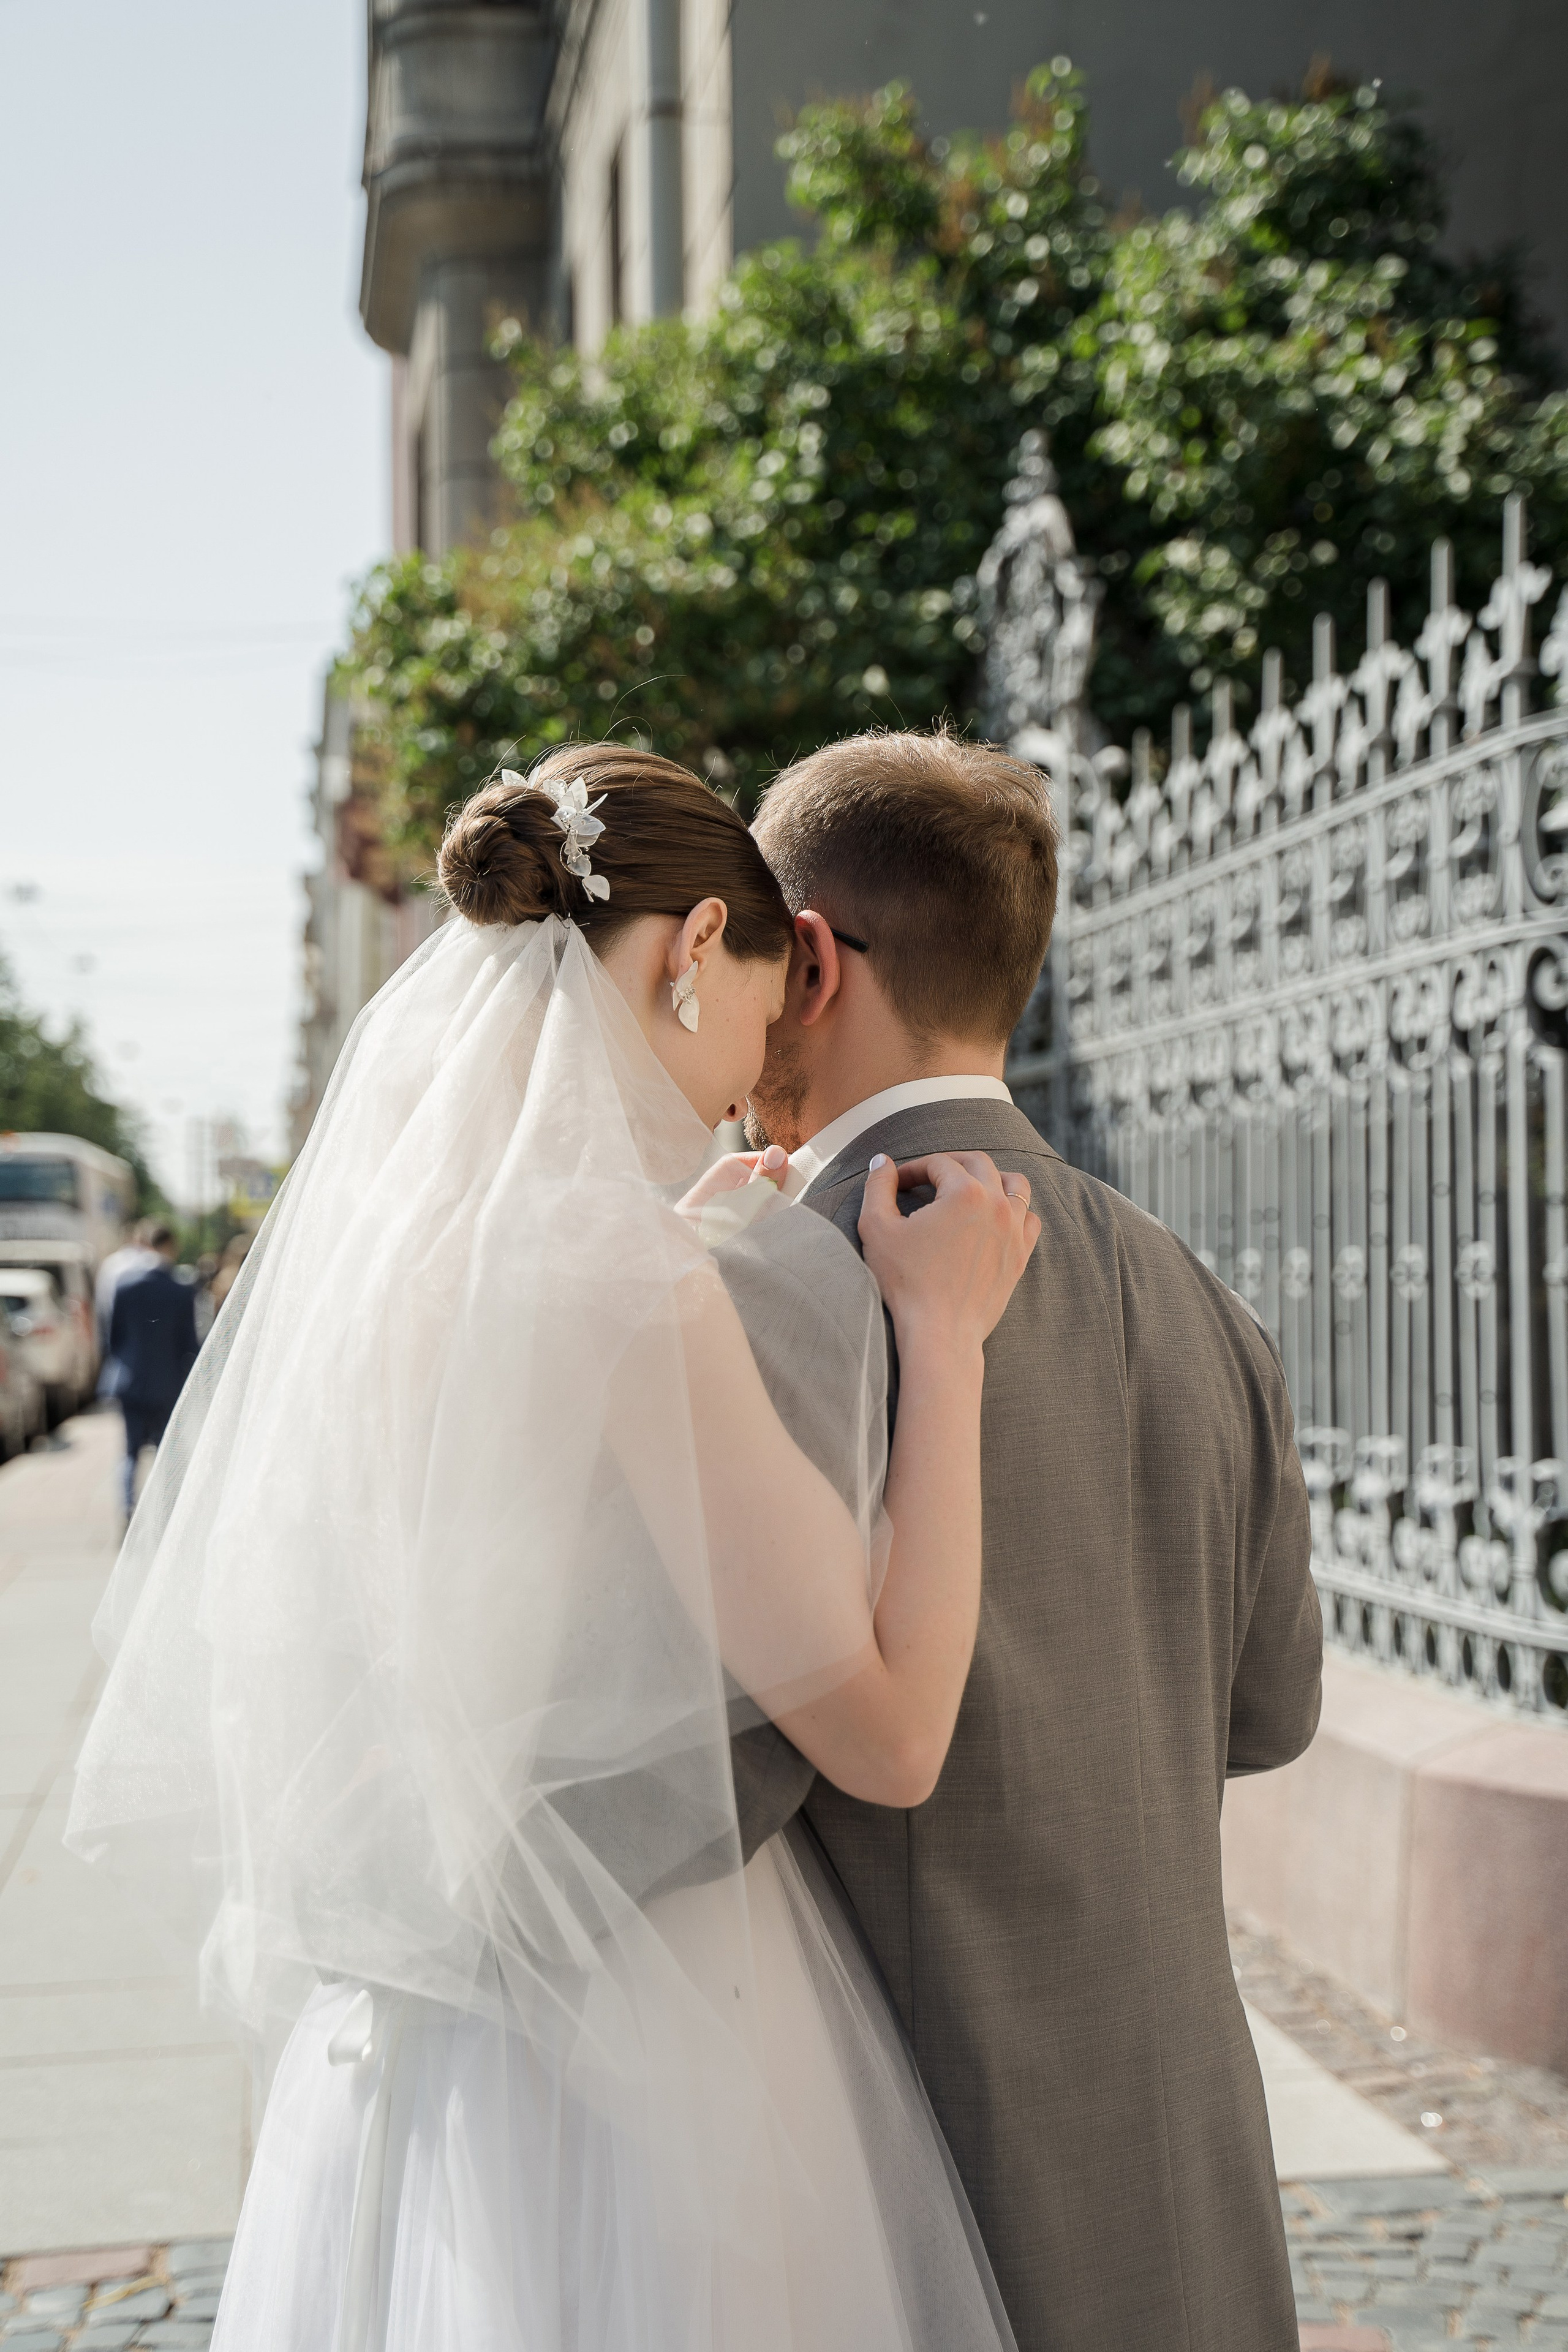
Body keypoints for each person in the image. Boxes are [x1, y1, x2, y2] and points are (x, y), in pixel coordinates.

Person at [66, 747, 1040, 2352]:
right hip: (643, 2025)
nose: (764, 1048)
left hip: (414, 2026)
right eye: (751, 986)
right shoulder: (631, 1286)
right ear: (687, 950)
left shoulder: (382, 1267)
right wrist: (943, 1338)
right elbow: (893, 1733)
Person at [715, 728, 1322, 2352]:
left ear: (816, 958)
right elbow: (1272, 1711)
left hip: (924, 2179)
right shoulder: (1207, 1305)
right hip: (1186, 2160)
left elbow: (692, 1785)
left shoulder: (768, 1294)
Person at [104, 1223, 199, 1521]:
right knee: (165, 1450)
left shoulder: (124, 1285)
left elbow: (113, 1337)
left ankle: (128, 1508)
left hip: (130, 1381)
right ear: (170, 1246)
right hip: (167, 1383)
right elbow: (189, 1345)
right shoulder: (181, 1289)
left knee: (130, 1452)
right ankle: (164, 1511)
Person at [94, 1218, 157, 1352]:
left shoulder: (110, 1262)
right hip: (136, 1330)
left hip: (110, 1325)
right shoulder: (147, 1261)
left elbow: (101, 1299)